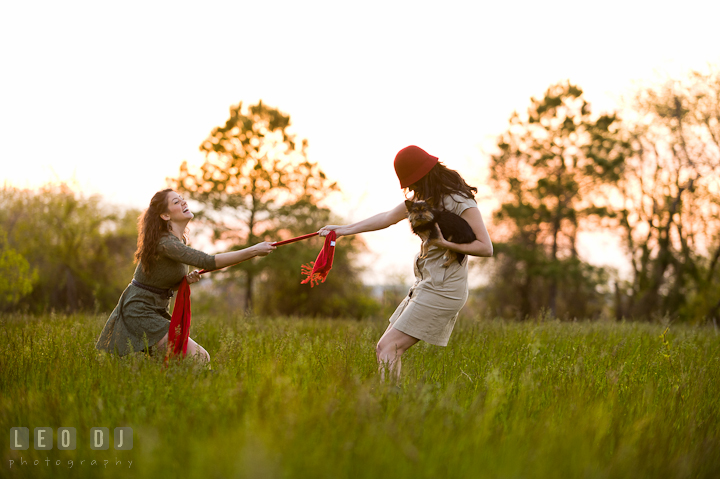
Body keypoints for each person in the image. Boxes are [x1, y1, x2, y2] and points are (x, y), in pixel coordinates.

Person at [319, 146, 493, 380]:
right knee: (385, 347)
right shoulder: (423, 200)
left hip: (445, 288)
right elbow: (385, 218)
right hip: (424, 284)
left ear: (425, 177)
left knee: (390, 346)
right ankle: (392, 402)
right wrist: (341, 230)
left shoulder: (460, 201)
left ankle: (390, 401)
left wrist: (444, 244)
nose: (411, 190)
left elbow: (485, 247)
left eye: (413, 183)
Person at [95, 189, 275, 362]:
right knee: (198, 359)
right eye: (176, 201)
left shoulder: (177, 241)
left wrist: (183, 281)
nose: (183, 201)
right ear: (165, 215)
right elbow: (208, 261)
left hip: (153, 311)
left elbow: (156, 281)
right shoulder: (166, 243)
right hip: (140, 312)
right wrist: (253, 251)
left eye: (181, 198)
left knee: (190, 361)